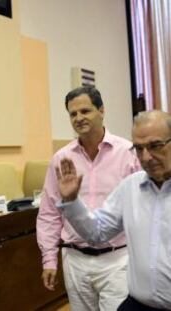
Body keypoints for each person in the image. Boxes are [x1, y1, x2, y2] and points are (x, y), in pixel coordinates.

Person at [36, 86, 140, 310]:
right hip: (75, 260)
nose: (78, 118)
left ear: (101, 110)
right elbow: (49, 213)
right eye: (73, 114)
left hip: (118, 259)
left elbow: (142, 207)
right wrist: (49, 259)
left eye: (85, 111)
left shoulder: (128, 153)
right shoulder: (61, 158)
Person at [55, 110, 171, 310]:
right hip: (137, 304)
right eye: (139, 148)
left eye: (155, 146)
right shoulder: (130, 188)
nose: (146, 156)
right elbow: (96, 232)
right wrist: (72, 201)